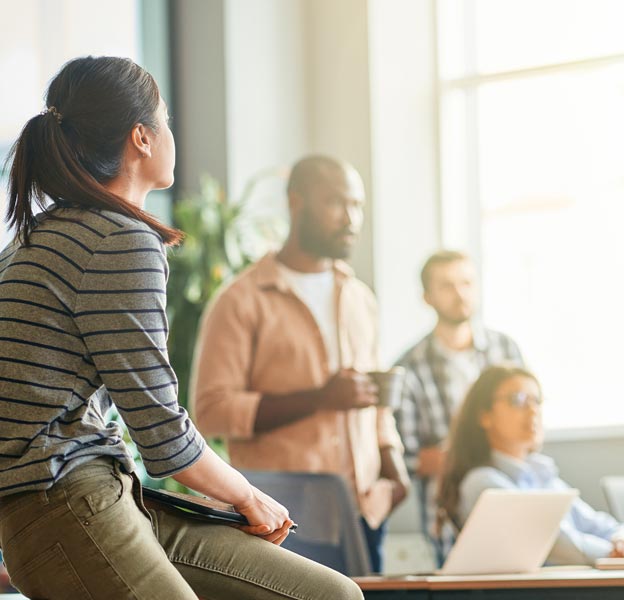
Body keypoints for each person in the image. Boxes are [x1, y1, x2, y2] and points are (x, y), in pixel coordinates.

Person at [0, 56, 361, 599]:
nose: (173, 133)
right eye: (165, 120)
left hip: (96, 497)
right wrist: (247, 496)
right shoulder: (120, 240)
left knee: (333, 595)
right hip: (64, 505)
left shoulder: (38, 237)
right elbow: (163, 436)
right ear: (142, 138)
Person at [191, 154, 409, 573]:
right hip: (285, 522)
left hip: (364, 515)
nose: (351, 218)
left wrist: (395, 476)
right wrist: (320, 400)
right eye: (336, 203)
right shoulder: (240, 300)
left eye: (357, 205)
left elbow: (377, 405)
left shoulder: (360, 298)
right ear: (297, 203)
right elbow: (212, 411)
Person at [435, 365, 624, 566]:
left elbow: (597, 524)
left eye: (537, 400)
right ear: (484, 415)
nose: (532, 410)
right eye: (518, 400)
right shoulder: (482, 482)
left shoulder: (543, 477)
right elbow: (558, 545)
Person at [394, 251, 523, 558]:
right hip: (448, 520)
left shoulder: (506, 350)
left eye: (466, 283)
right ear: (427, 296)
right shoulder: (408, 368)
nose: (460, 293)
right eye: (447, 286)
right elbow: (407, 458)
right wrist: (471, 455)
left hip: (515, 502)